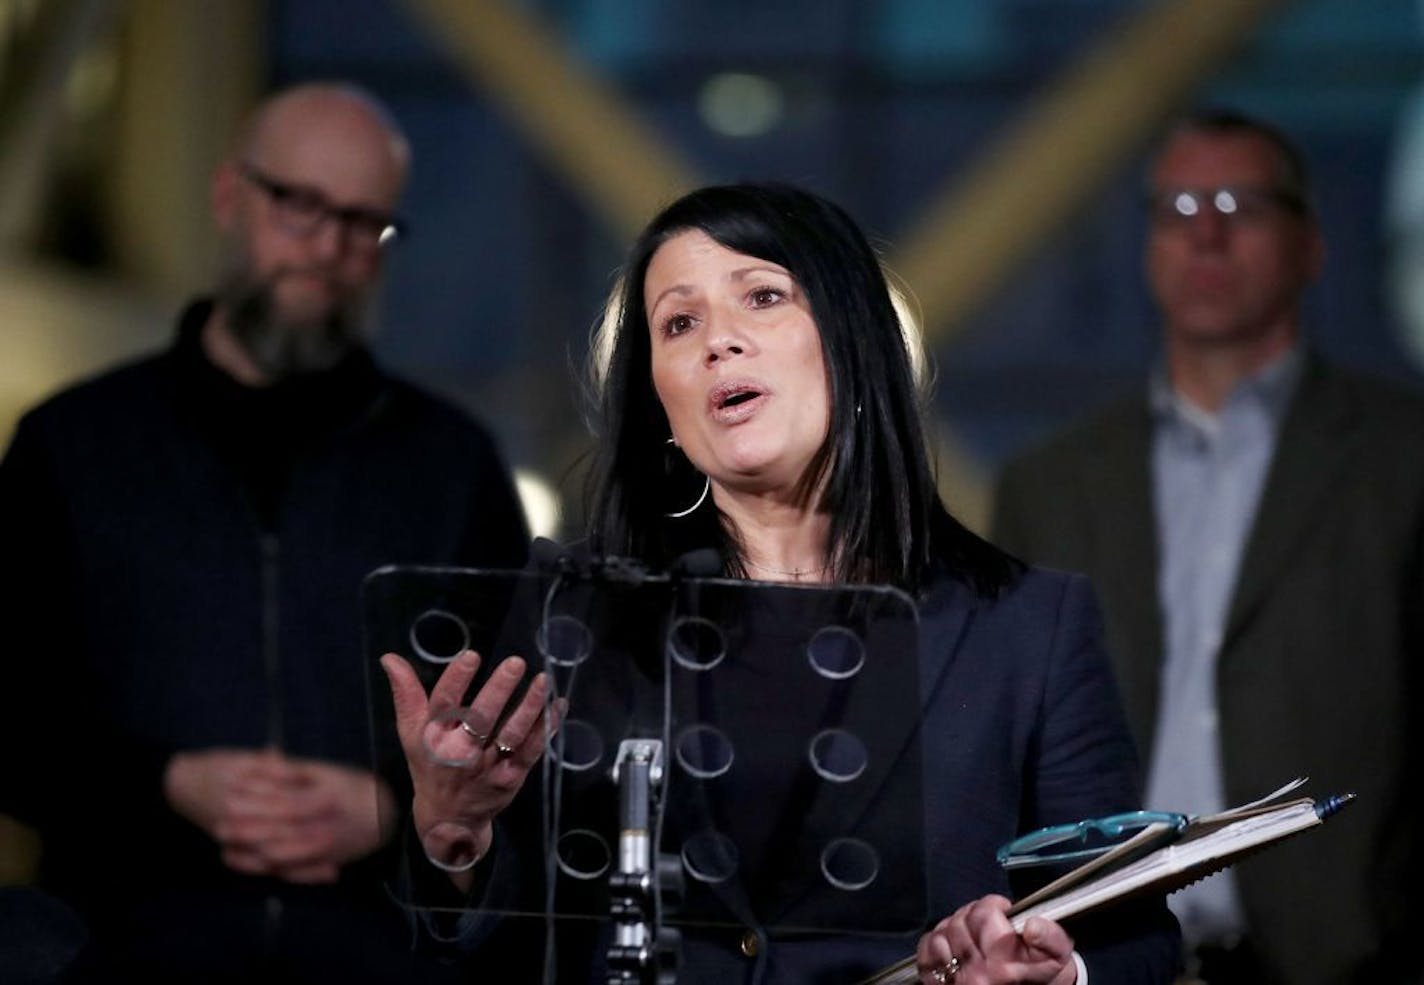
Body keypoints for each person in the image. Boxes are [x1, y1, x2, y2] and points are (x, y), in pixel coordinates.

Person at [381, 182, 1180, 984]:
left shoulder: (1026, 627)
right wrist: (455, 834)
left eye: (762, 296)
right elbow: (493, 943)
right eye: (679, 322)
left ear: (852, 340)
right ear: (660, 400)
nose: (717, 343)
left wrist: (1052, 971)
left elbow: (1132, 937)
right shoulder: (579, 614)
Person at [0, 82, 530, 982]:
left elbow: (523, 723)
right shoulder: (71, 444)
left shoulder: (453, 462)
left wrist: (397, 807)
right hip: (120, 953)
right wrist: (166, 786)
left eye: (365, 223)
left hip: (384, 959)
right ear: (227, 195)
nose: (328, 248)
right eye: (299, 204)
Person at [992, 111, 1424, 985]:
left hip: (1358, 959)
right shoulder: (1049, 483)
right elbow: (1010, 754)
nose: (1207, 231)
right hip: (1101, 963)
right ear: (1146, 244)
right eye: (1179, 206)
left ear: (1311, 243)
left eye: (1241, 203)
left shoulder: (1405, 454)